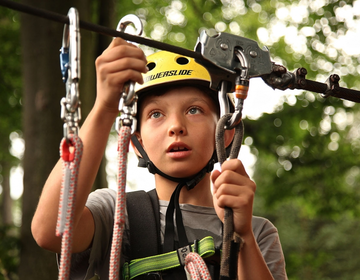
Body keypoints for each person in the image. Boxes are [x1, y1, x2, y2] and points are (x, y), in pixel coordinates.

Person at [31, 37, 288, 280]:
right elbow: (51, 232)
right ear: (137, 142)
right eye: (156, 114)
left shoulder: (258, 233)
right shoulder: (117, 215)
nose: (176, 126)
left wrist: (241, 235)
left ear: (225, 132)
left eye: (194, 110)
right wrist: (105, 107)